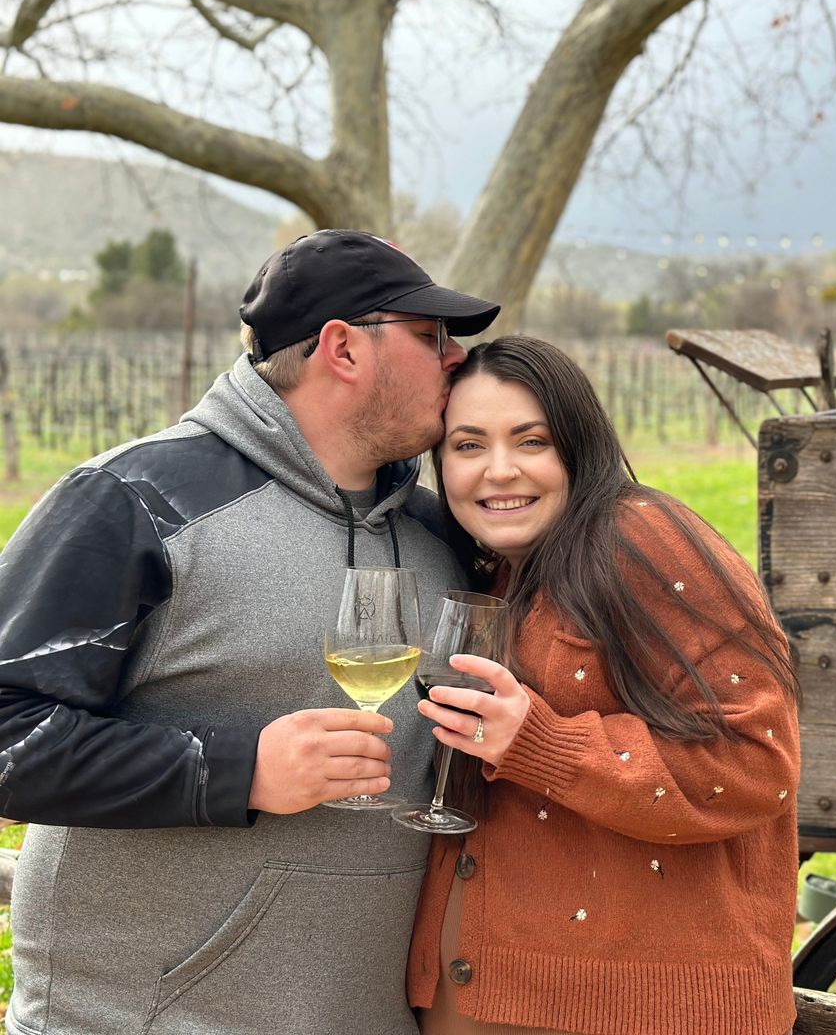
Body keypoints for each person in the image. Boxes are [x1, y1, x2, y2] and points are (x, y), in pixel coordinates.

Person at [0, 230, 500, 1035]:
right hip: (144, 1021)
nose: (456, 360)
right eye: (432, 336)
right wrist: (238, 771)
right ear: (343, 348)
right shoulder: (132, 501)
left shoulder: (442, 532)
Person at [406, 336, 801, 1035]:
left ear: (578, 446)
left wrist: (544, 745)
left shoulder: (640, 540)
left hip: (637, 1010)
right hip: (489, 995)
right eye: (468, 446)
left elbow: (757, 764)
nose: (499, 471)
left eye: (531, 441)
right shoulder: (505, 567)